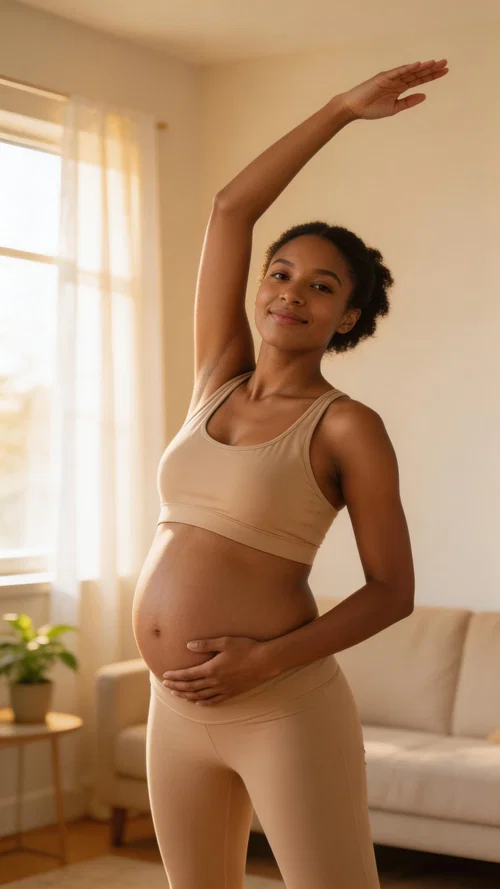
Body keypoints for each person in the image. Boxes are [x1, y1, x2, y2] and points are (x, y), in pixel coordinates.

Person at [134, 58, 448, 889]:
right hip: (174, 706)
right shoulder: (217, 377)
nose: (291, 293)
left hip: (281, 708)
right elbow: (231, 208)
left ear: (346, 317)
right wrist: (341, 110)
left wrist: (264, 663)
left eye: (321, 287)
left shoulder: (346, 425)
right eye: (281, 272)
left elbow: (392, 590)